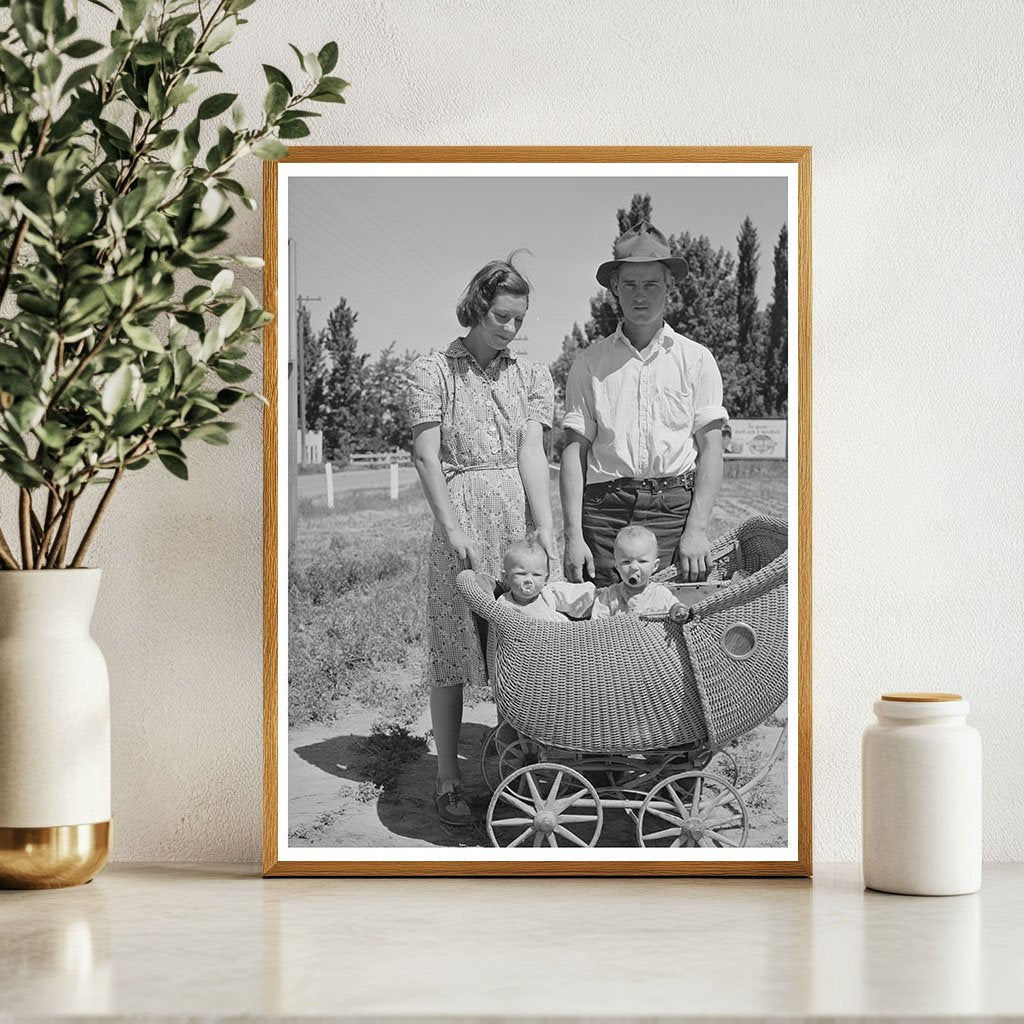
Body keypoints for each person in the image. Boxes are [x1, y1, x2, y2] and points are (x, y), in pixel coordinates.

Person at [408, 254, 556, 825]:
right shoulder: (434, 370)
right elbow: (424, 455)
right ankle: (448, 779)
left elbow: (530, 452)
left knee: (522, 646)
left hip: (514, 524)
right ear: (477, 306)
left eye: (519, 319)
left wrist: (543, 525)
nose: (510, 328)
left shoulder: (528, 375)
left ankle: (516, 767)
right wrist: (452, 529)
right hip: (461, 514)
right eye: (500, 316)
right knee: (452, 650)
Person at [561, 222, 728, 589]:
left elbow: (711, 449)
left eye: (651, 284)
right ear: (614, 287)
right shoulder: (589, 364)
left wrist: (697, 529)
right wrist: (573, 535)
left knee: (667, 625)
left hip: (673, 512)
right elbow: (574, 454)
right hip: (604, 514)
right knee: (603, 624)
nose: (640, 295)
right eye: (631, 284)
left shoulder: (697, 360)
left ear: (670, 286)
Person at [591, 525, 686, 620]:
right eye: (626, 562)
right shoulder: (610, 596)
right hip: (619, 634)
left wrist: (679, 614)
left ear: (655, 566)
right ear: (617, 567)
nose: (634, 567)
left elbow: (678, 613)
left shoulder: (662, 595)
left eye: (642, 561)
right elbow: (597, 625)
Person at [496, 535, 595, 621]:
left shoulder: (548, 594)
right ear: (506, 577)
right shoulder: (504, 604)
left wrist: (597, 595)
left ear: (546, 578)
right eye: (521, 574)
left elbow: (575, 597)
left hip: (555, 637)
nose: (529, 580)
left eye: (536, 575)